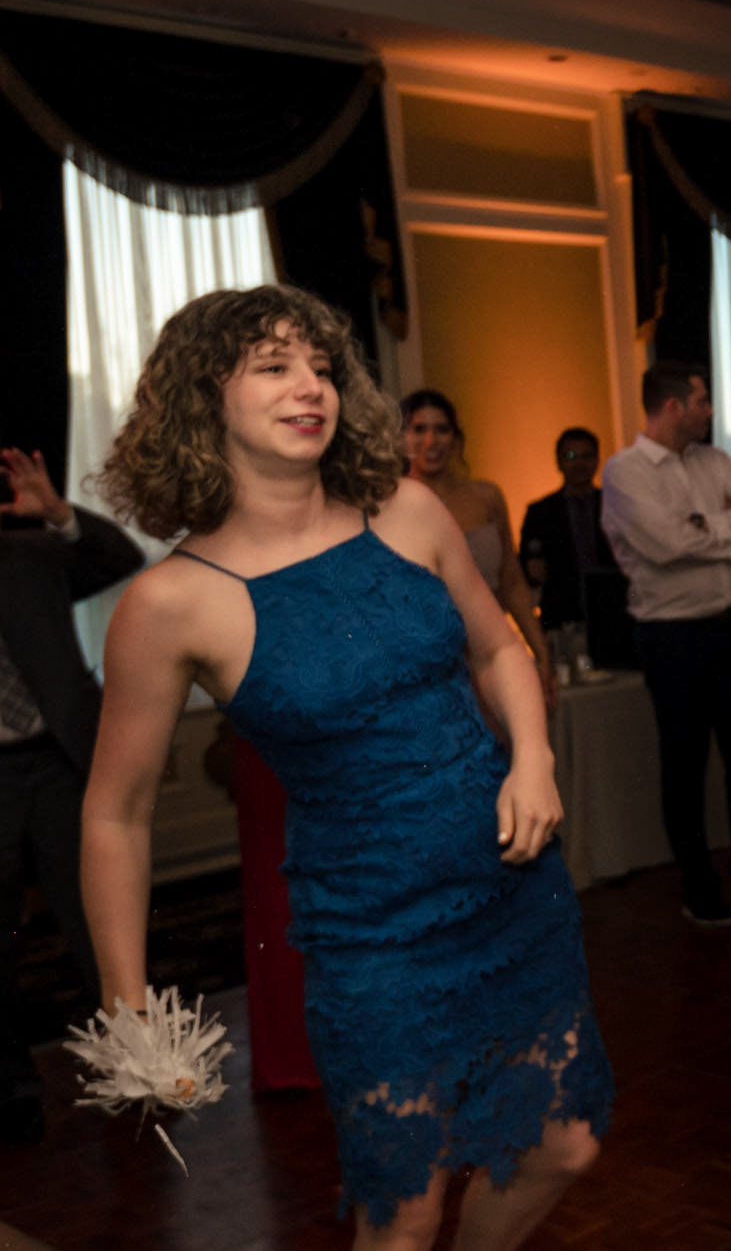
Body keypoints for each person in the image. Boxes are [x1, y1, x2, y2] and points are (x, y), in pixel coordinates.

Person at [82, 286, 611, 1248]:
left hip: (513, 890)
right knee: (403, 1210)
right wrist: (129, 1008)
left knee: (564, 1146)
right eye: (275, 366)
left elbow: (499, 647)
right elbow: (116, 815)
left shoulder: (405, 510)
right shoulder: (170, 603)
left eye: (322, 367)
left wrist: (531, 757)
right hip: (373, 936)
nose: (311, 386)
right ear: (205, 398)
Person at [601, 362, 731, 927]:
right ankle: (698, 885)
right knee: (685, 762)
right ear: (673, 406)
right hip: (672, 636)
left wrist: (706, 527)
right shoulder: (624, 472)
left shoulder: (714, 461)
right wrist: (728, 535)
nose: (710, 411)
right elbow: (666, 545)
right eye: (703, 400)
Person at [0, 446, 143, 1145]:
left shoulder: (28, 550)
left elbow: (120, 559)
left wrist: (59, 514)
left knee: (97, 919)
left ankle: (137, 1065)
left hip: (60, 761)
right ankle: (11, 1092)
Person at [400, 390, 552, 705]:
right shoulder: (387, 504)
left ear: (457, 439)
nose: (431, 440)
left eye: (442, 429)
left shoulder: (486, 497)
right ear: (402, 438)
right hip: (425, 666)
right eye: (419, 429)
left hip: (493, 654)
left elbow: (512, 582)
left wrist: (541, 653)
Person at [520, 428, 619, 634]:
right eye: (571, 456)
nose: (579, 463)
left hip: (613, 610)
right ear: (559, 461)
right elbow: (525, 567)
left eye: (587, 456)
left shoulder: (616, 505)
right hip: (560, 617)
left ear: (597, 460)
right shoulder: (540, 512)